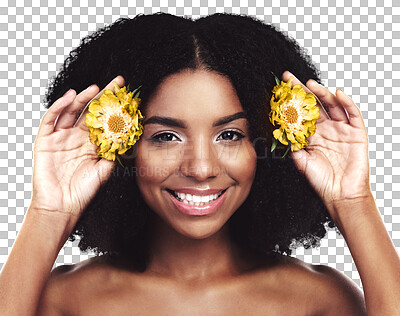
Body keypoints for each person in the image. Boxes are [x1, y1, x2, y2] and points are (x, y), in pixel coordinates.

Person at [0, 12, 399, 315]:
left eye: (229, 135)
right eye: (165, 136)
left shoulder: (319, 299)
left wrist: (354, 200)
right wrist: (48, 212)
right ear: (120, 144)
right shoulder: (64, 298)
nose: (201, 167)